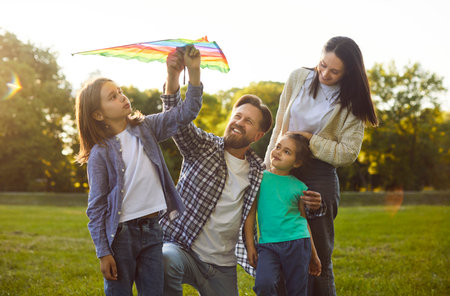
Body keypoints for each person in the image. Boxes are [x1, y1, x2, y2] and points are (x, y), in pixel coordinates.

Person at [160, 72, 324, 295]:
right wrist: (173, 78)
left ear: (258, 135)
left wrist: (316, 206)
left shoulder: (259, 174)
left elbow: (290, 206)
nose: (239, 122)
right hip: (183, 249)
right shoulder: (202, 147)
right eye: (237, 116)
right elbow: (175, 122)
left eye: (248, 121)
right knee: (164, 259)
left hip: (222, 265)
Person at [75, 45, 203, 296]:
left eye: (120, 92)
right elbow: (97, 207)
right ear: (98, 115)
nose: (122, 97)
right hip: (121, 236)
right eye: (112, 96)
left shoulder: (147, 128)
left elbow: (187, 112)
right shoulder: (100, 154)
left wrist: (194, 72)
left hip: (154, 230)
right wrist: (103, 252)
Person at [265, 36, 378, 296]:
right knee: (282, 248)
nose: (325, 73)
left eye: (334, 71)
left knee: (317, 259)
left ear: (348, 72)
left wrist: (310, 140)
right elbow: (281, 123)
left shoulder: (352, 104)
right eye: (322, 65)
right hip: (284, 167)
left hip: (319, 175)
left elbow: (348, 154)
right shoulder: (297, 78)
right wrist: (269, 166)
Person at [244, 133, 322, 296]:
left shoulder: (300, 186)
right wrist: (251, 245)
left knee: (297, 290)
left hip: (298, 243)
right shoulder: (259, 179)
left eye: (287, 152)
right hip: (267, 246)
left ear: (297, 162)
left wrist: (313, 255)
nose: (278, 152)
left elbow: (303, 220)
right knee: (263, 285)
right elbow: (250, 214)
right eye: (278, 147)